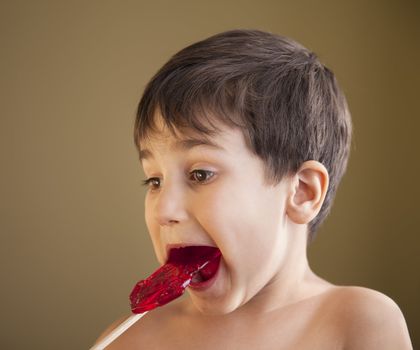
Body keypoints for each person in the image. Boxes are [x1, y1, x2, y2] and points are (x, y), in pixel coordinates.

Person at [94, 29, 412, 349]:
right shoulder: (133, 338)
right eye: (154, 181)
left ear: (302, 192)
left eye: (200, 174)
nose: (164, 210)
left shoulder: (358, 322)